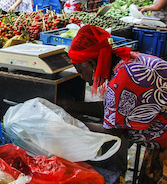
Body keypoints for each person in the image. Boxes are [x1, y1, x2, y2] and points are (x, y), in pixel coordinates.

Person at [67, 25, 167, 183]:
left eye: (80, 70)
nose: (81, 77)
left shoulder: (121, 80)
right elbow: (113, 109)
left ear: (92, 64)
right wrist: (67, 106)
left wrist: (68, 123)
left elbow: (112, 132)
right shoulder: (123, 64)